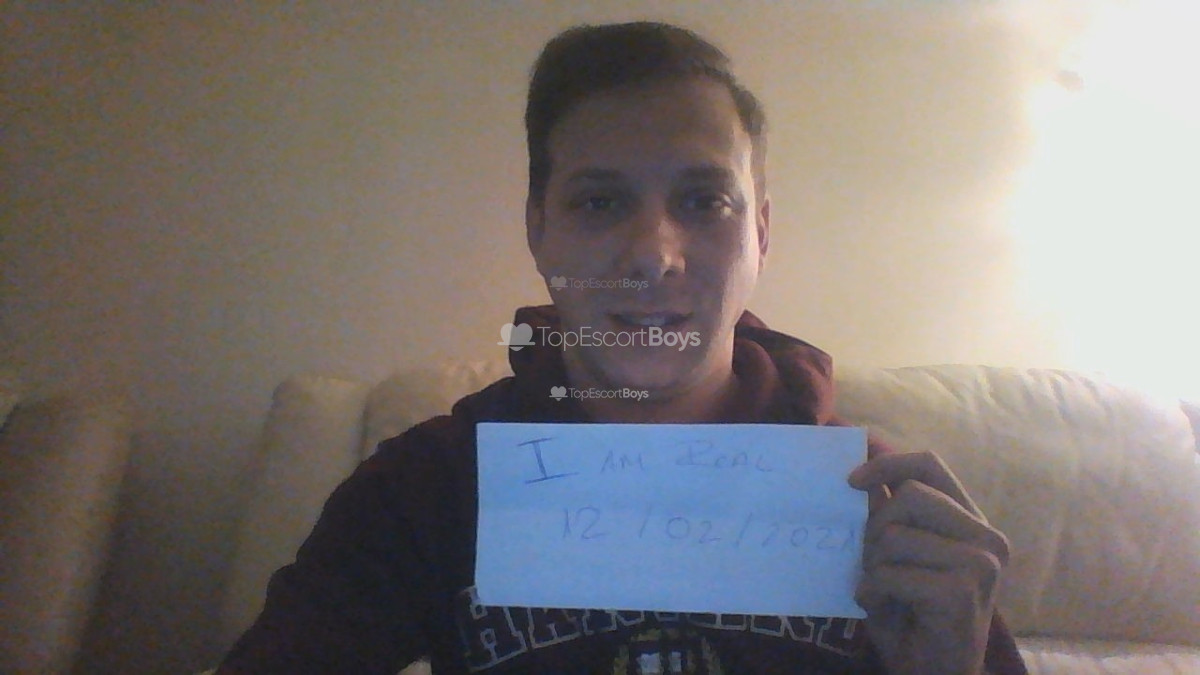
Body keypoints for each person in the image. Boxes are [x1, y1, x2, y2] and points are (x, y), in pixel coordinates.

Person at [218, 22, 1026, 674]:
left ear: (761, 232)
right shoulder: (427, 489)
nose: (653, 255)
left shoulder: (881, 510)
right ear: (538, 226)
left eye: (703, 200)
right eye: (601, 201)